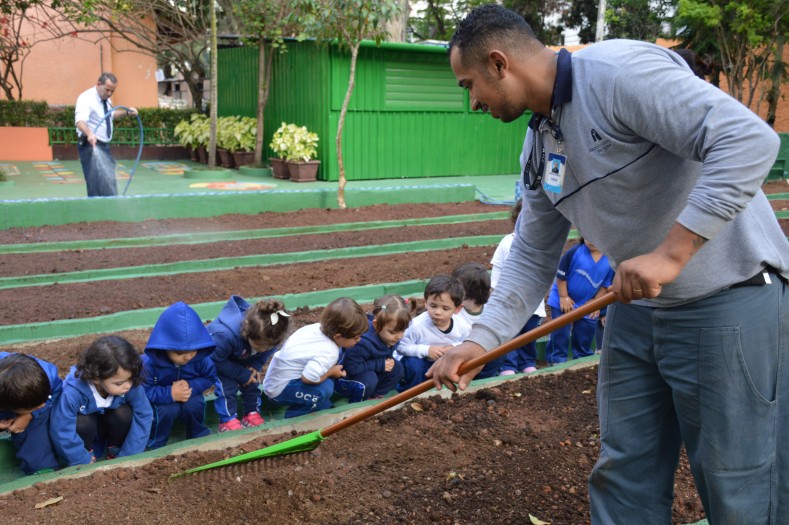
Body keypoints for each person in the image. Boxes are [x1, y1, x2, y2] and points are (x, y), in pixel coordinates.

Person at [429, 5, 789, 524]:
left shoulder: (619, 75)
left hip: (729, 302)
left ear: (499, 62)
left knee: (738, 480)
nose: (473, 101)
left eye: (470, 85)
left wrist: (672, 253)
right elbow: (531, 253)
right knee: (625, 473)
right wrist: (481, 341)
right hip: (636, 313)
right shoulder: (539, 143)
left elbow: (750, 139)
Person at [50, 335, 152, 466]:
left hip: (109, 427)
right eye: (119, 383)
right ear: (95, 378)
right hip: (86, 432)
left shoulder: (130, 385)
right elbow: (61, 430)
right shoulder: (71, 394)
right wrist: (80, 459)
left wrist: (129, 455)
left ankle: (115, 448)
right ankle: (87, 453)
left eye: (130, 379)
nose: (128, 385)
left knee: (124, 413)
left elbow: (144, 414)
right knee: (81, 421)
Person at [262, 297, 368, 418]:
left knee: (326, 384)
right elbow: (308, 378)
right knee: (325, 390)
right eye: (355, 337)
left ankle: (318, 405)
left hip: (274, 380)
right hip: (278, 391)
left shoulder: (316, 328)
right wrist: (330, 372)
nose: (359, 340)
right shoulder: (329, 351)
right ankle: (295, 418)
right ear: (338, 336)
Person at [142, 302, 218, 449]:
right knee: (166, 411)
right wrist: (169, 393)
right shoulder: (150, 365)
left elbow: (209, 377)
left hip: (189, 394)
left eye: (193, 350)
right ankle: (156, 442)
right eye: (179, 353)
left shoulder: (200, 359)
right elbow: (144, 391)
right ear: (164, 348)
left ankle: (198, 434)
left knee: (195, 404)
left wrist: (191, 386)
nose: (187, 357)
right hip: (162, 400)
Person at [208, 296, 290, 432]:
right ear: (247, 331)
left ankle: (251, 413)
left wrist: (255, 366)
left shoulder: (272, 336)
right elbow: (215, 360)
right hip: (217, 360)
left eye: (267, 346)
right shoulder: (224, 335)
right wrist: (241, 374)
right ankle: (227, 420)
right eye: (259, 345)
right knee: (227, 387)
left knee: (253, 381)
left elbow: (265, 352)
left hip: (241, 355)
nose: (263, 349)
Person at [492, 199, 547, 375]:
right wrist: (495, 292)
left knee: (528, 335)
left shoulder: (542, 244)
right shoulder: (507, 242)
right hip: (509, 302)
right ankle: (508, 365)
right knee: (510, 335)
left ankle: (527, 362)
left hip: (533, 304)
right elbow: (498, 268)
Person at [544, 238, 614, 365]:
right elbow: (561, 276)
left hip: (588, 303)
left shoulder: (609, 259)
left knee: (585, 331)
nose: (591, 240)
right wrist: (563, 296)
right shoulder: (575, 252)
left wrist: (595, 302)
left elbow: (605, 285)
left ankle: (582, 359)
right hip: (563, 299)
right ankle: (556, 360)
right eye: (588, 236)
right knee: (561, 332)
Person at [395, 274, 470, 391]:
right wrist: (426, 350)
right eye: (433, 306)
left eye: (445, 308)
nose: (437, 312)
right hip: (423, 364)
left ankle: (467, 385)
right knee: (413, 364)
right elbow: (401, 347)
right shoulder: (416, 325)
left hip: (448, 364)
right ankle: (412, 392)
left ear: (457, 309)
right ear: (425, 303)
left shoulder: (462, 325)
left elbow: (469, 343)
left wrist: (454, 347)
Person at [335, 295, 409, 402]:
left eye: (402, 330)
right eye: (393, 332)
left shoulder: (390, 336)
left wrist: (383, 365)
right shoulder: (361, 342)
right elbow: (351, 368)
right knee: (370, 379)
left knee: (397, 369)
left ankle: (374, 396)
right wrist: (380, 364)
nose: (399, 336)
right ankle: (357, 404)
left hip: (369, 370)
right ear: (376, 324)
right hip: (344, 379)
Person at [75, 72, 138, 197]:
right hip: (90, 145)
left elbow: (110, 115)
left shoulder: (105, 99)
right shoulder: (86, 98)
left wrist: (127, 113)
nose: (109, 94)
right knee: (95, 181)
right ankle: (96, 212)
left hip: (103, 145)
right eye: (107, 90)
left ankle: (110, 206)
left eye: (112, 91)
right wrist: (89, 133)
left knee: (108, 178)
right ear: (99, 84)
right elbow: (79, 121)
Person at [0, 353, 62, 474]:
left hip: (26, 406)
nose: (42, 405)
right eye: (34, 407)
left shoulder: (46, 377)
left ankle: (41, 466)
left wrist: (29, 414)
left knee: (43, 413)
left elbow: (54, 395)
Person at [451, 263, 504, 378]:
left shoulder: (489, 312)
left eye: (457, 287)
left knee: (499, 352)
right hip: (457, 356)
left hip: (481, 356)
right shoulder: (452, 310)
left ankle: (485, 379)